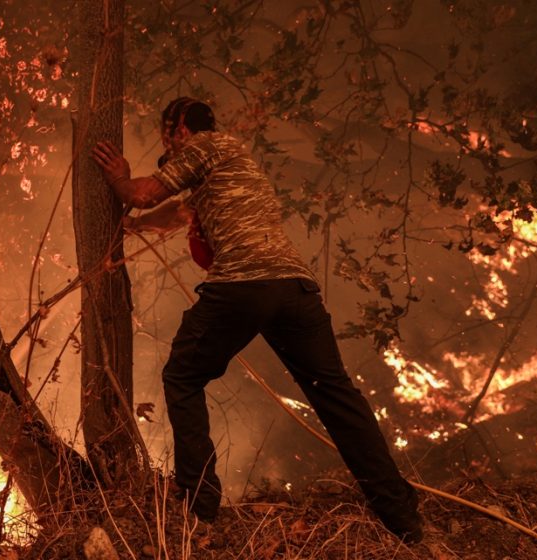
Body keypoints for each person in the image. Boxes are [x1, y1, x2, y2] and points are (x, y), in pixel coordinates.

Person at [92, 97, 423, 543]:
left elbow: (145, 193)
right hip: (294, 288)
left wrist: (118, 178)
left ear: (178, 129)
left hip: (243, 283)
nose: (166, 143)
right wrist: (133, 228)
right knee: (336, 396)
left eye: (166, 134)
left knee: (182, 376)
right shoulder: (232, 163)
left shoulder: (204, 145)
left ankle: (198, 500)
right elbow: (174, 213)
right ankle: (401, 514)